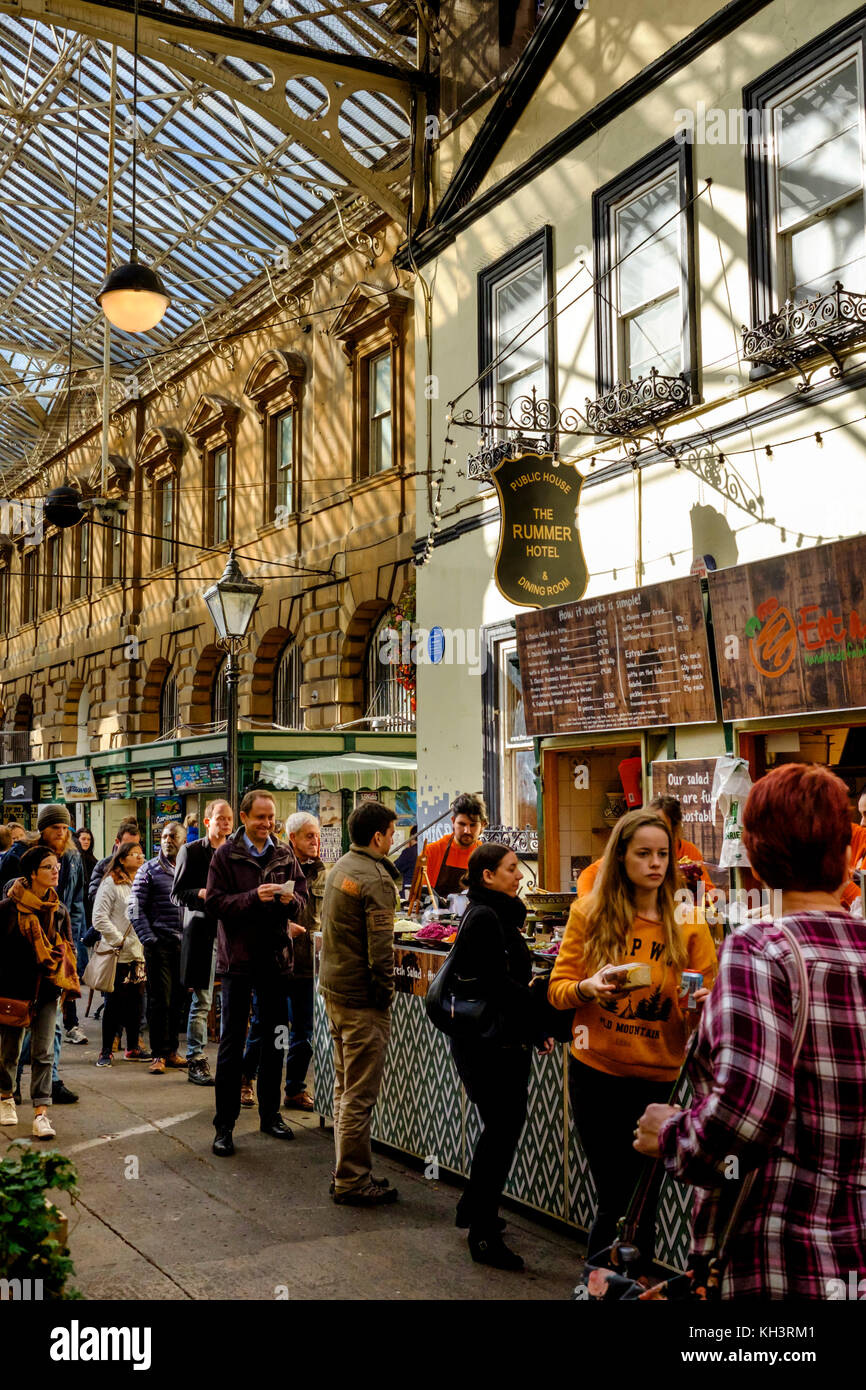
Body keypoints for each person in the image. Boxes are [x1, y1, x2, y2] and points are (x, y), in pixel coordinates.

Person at [635, 762, 866, 1298]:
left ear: (756, 859)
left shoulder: (761, 949)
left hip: (785, 1261)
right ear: (848, 854)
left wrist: (669, 1132)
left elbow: (745, 1114)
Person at [548, 808, 717, 1278]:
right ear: (620, 856)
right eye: (643, 853)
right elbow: (558, 991)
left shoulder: (688, 919)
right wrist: (590, 987)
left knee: (645, 1197)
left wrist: (703, 1003)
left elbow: (705, 999)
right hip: (596, 1073)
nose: (656, 863)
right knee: (617, 1196)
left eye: (663, 854)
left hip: (660, 1081)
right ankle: (604, 1287)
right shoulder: (591, 913)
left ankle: (624, 1286)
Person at [448, 842, 555, 1271]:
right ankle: (484, 1235)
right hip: (489, 1044)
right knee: (502, 1131)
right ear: (487, 876)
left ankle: (473, 1208)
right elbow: (498, 986)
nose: (519, 875)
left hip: (496, 1039)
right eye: (512, 869)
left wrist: (532, 1025)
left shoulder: (494, 913)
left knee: (499, 1129)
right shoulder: (486, 918)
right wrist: (539, 1015)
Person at [206, 791, 307, 1157]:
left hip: (276, 960)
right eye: (260, 817)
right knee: (232, 1044)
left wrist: (288, 900)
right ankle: (224, 1125)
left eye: (271, 818)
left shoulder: (284, 854)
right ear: (245, 818)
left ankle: (271, 1115)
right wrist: (254, 897)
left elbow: (303, 897)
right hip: (238, 961)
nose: (267, 824)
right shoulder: (225, 855)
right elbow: (215, 903)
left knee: (276, 1037)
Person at [319, 799, 401, 1205]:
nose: (394, 838)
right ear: (377, 836)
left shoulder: (342, 867)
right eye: (392, 831)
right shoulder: (375, 879)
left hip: (333, 992)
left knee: (343, 1087)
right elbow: (381, 952)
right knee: (359, 1095)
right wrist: (384, 996)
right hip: (360, 1001)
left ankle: (345, 1170)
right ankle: (352, 1180)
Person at [1, 804, 85, 1100]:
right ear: (42, 829)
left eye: (65, 828)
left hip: (56, 953)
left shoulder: (73, 858)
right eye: (55, 828)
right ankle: (11, 1085)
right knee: (18, 1028)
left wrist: (75, 951)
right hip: (22, 955)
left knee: (53, 1027)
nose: (61, 834)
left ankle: (50, 1082)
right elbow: (7, 898)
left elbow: (75, 904)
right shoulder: (18, 856)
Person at [242, 812, 324, 1111]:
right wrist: (281, 928)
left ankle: (294, 1089)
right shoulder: (277, 867)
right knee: (265, 1025)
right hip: (276, 961)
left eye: (317, 835)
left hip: (307, 965)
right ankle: (246, 1078)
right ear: (293, 839)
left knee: (304, 1031)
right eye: (308, 836)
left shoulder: (323, 873)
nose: (315, 841)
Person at [171, 799, 234, 1086]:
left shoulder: (237, 852)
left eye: (229, 819)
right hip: (204, 932)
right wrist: (201, 893)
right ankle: (196, 1058)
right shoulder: (192, 851)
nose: (226, 824)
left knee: (235, 999)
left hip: (233, 932)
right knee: (203, 999)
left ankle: (232, 1059)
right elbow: (177, 894)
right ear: (207, 822)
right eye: (220, 818)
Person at [128, 821, 186, 1075]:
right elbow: (134, 908)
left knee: (178, 1000)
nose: (167, 840)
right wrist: (148, 938)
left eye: (173, 836)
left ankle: (172, 1051)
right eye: (163, 836)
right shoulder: (148, 870)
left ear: (183, 840)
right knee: (160, 999)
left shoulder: (190, 869)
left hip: (184, 945)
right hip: (158, 943)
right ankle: (159, 1054)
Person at [577, 795, 712, 899]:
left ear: (674, 828)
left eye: (662, 854)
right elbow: (589, 875)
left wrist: (691, 886)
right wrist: (589, 903)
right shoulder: (633, 848)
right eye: (644, 854)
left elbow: (710, 894)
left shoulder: (688, 851)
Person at [91, 841, 150, 1066]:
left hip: (139, 954)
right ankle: (106, 1051)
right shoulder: (110, 883)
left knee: (136, 1003)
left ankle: (133, 1047)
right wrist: (118, 940)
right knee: (114, 1004)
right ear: (122, 858)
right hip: (118, 954)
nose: (139, 857)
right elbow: (99, 918)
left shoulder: (143, 882)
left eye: (141, 854)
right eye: (134, 854)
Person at [423, 794, 488, 902]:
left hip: (474, 916)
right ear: (453, 821)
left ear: (482, 825)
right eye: (462, 824)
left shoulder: (485, 856)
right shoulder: (432, 852)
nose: (467, 831)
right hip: (437, 917)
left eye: (473, 825)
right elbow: (421, 895)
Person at [88, 818, 141, 909]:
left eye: (135, 845)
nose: (132, 849)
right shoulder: (104, 865)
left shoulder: (143, 865)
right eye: (127, 845)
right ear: (117, 842)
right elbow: (94, 896)